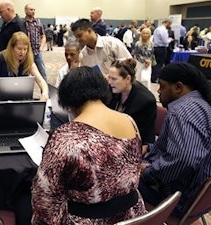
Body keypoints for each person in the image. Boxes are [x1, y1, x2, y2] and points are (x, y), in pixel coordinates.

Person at [32, 66, 146, 224]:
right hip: (133, 216)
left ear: (68, 102)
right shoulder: (129, 121)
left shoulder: (66, 137)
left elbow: (44, 200)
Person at [139, 62, 211, 218]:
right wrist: (151, 148)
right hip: (197, 197)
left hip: (177, 200)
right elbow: (189, 147)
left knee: (117, 180)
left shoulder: (181, 112)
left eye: (162, 86)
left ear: (178, 87)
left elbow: (185, 158)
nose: (158, 91)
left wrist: (148, 172)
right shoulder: (201, 104)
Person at [0, 31, 49, 100]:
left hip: (20, 99)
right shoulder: (1, 57)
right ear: (12, 48)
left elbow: (41, 81)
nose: (22, 52)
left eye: (25, 49)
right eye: (19, 49)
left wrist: (44, 93)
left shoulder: (28, 61)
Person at [107, 58, 157, 155]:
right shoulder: (112, 90)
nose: (109, 82)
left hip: (134, 146)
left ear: (128, 79)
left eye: (113, 79)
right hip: (115, 140)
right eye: (109, 77)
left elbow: (144, 138)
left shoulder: (145, 101)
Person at [24, 3, 47, 81]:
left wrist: (41, 47)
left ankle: (45, 91)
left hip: (37, 52)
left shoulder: (38, 22)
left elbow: (43, 36)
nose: (33, 11)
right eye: (31, 10)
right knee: (25, 74)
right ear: (26, 11)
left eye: (34, 10)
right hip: (26, 53)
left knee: (42, 73)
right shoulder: (22, 22)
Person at [151, 19, 172, 83]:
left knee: (154, 63)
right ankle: (155, 78)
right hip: (161, 48)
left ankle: (153, 77)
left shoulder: (157, 29)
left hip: (155, 47)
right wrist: (170, 40)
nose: (170, 26)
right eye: (170, 24)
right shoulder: (164, 30)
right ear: (167, 23)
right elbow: (165, 41)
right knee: (159, 64)